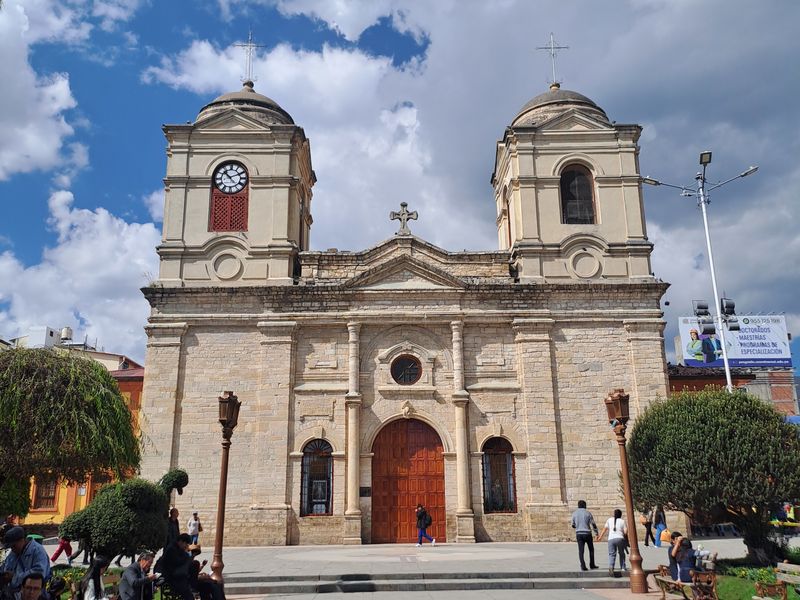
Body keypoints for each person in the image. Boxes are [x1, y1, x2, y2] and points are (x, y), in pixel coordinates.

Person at [1, 526, 51, 595]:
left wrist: (14, 577)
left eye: (14, 546)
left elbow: (39, 575)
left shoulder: (38, 551)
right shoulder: (14, 552)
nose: (12, 549)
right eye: (11, 547)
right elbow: (6, 566)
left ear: (22, 540)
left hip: (32, 595)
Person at [159, 533, 194, 600]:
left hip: (180, 575)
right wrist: (186, 555)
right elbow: (177, 562)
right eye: (186, 544)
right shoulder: (171, 549)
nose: (186, 546)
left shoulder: (179, 549)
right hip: (172, 577)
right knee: (188, 595)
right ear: (180, 542)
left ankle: (193, 584)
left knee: (195, 564)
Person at [596, 508, 627, 576]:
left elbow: (604, 529)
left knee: (612, 554)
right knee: (621, 553)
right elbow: (625, 532)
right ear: (620, 515)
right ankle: (623, 567)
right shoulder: (622, 521)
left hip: (611, 539)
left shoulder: (609, 520)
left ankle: (611, 566)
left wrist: (600, 537)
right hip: (620, 538)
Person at [570, 500, 599, 571]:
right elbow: (593, 524)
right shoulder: (588, 513)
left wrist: (578, 526)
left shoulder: (574, 513)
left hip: (579, 534)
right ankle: (592, 565)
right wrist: (596, 533)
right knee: (591, 549)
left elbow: (573, 525)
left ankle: (583, 565)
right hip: (587, 533)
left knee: (581, 550)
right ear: (585, 505)